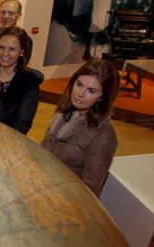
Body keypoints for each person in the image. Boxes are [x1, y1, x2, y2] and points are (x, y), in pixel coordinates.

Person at [42, 59, 120, 197]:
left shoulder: (104, 135)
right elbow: (45, 145)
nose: (80, 94)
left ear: (102, 97)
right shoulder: (65, 109)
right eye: (79, 84)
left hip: (62, 200)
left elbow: (89, 191)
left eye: (91, 91)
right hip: (40, 183)